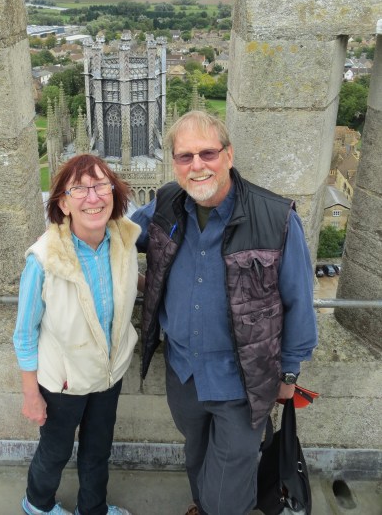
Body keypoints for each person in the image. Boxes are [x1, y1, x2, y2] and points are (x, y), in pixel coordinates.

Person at [131, 111, 318, 515]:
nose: (197, 165)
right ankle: (203, 505)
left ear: (228, 155)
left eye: (207, 153)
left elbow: (299, 301)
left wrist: (289, 373)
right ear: (175, 164)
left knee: (230, 479)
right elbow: (121, 236)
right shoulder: (165, 204)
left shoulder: (276, 218)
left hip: (242, 379)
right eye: (185, 157)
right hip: (183, 372)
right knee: (196, 454)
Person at [13, 154, 140, 515]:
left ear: (114, 194)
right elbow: (24, 333)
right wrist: (31, 394)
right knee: (55, 450)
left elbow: (127, 284)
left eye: (101, 185)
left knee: (98, 450)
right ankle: (37, 505)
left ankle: (93, 509)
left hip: (106, 375)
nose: (93, 197)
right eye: (79, 189)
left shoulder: (123, 243)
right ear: (63, 203)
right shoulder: (43, 260)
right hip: (63, 384)